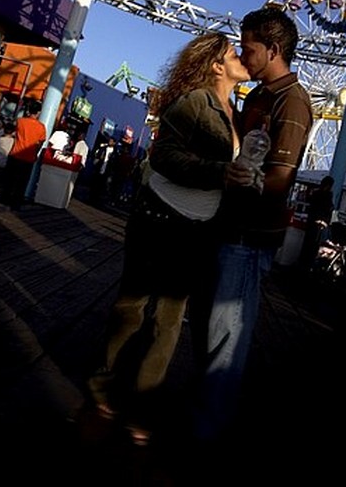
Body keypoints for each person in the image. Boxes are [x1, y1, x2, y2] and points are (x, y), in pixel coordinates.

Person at [86, 33, 248, 446]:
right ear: (215, 65)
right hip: (160, 219)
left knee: (170, 320)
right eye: (234, 53)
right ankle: (103, 387)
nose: (242, 57)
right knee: (133, 309)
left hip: (197, 226)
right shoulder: (194, 101)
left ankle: (141, 403)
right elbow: (164, 156)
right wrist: (220, 173)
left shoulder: (235, 113)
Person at [195, 6, 313, 443]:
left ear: (274, 49)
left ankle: (206, 434)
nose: (244, 59)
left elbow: (279, 179)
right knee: (212, 331)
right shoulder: (259, 96)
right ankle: (202, 416)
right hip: (227, 228)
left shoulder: (293, 101)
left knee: (226, 340)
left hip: (248, 238)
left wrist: (247, 181)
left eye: (249, 50)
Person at [4, 98, 47, 209]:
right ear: (38, 112)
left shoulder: (20, 121)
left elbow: (12, 130)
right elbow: (40, 143)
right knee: (22, 182)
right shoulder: (41, 127)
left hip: (15, 153)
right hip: (28, 157)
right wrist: (35, 154)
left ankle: (5, 198)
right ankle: (16, 202)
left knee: (9, 178)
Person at [299, 174, 335, 270]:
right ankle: (308, 266)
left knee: (306, 246)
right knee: (313, 247)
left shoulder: (316, 194)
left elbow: (310, 202)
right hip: (319, 224)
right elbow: (329, 210)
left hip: (311, 222)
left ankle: (301, 265)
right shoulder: (327, 196)